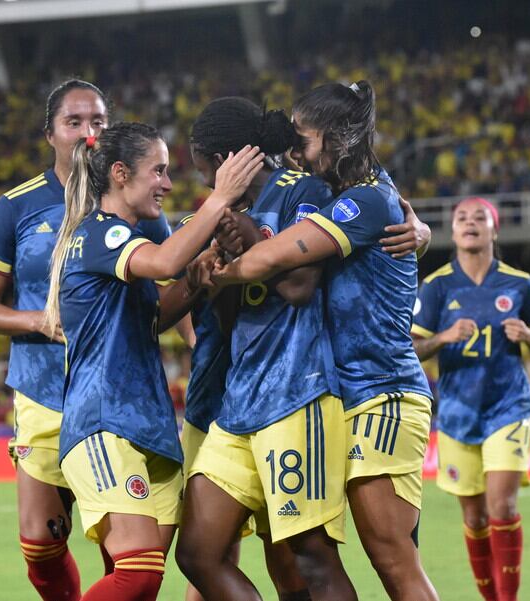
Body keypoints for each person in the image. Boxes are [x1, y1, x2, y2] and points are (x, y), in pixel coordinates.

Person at [209, 81, 438, 600]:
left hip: (382, 391)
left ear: (338, 138)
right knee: (344, 554)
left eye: (304, 140)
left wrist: (218, 274)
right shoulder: (350, 194)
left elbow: (275, 257)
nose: (296, 153)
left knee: (392, 557)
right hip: (347, 394)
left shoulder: (365, 201)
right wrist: (423, 233)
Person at [0, 79, 171, 601]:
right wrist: (38, 321)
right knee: (41, 547)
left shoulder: (135, 202)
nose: (87, 131)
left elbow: (169, 285)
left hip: (114, 393)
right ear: (50, 134)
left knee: (127, 556)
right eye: (73, 121)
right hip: (44, 393)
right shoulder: (16, 208)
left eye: (98, 121)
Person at [43, 122, 262, 600]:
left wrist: (195, 282)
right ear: (120, 174)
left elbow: (153, 316)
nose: (167, 183)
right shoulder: (100, 232)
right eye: (157, 171)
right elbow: (164, 263)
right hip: (104, 422)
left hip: (148, 425)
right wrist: (220, 197)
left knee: (143, 587)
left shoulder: (122, 237)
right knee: (138, 572)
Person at [175, 97, 356, 601]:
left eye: (203, 167)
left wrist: (252, 240)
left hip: (298, 392)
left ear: (221, 160)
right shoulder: (221, 216)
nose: (204, 181)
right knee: (197, 552)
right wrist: (213, 275)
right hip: (239, 403)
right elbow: (230, 320)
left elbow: (300, 286)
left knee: (310, 558)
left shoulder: (303, 190)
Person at [410, 196, 530, 601]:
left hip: (508, 407)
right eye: (461, 218)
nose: (469, 222)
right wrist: (444, 337)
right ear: (453, 231)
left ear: (494, 230)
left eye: (479, 217)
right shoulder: (437, 286)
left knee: (501, 507)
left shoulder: (518, 282)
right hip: (458, 413)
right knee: (474, 517)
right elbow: (413, 348)